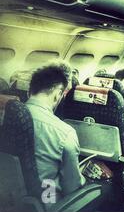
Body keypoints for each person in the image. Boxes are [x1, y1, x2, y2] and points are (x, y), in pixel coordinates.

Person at [26, 61, 86, 204]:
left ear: (30, 90)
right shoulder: (64, 132)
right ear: (58, 94)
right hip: (47, 203)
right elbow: (72, 187)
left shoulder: (9, 118)